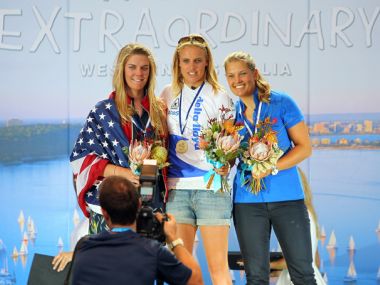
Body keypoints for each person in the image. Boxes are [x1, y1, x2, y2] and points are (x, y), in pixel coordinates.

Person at [224, 51, 316, 285]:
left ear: (254, 74)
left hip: (288, 199)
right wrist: (222, 163)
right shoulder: (230, 114)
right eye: (231, 76)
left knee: (303, 274)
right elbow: (231, 157)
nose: (237, 80)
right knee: (256, 277)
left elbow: (304, 147)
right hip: (246, 202)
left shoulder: (281, 102)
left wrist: (272, 166)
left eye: (242, 73)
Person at [159, 34, 234, 285]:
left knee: (218, 270)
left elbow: (230, 143)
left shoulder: (220, 95)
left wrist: (228, 163)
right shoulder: (167, 94)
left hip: (211, 189)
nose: (192, 67)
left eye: (198, 61)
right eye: (186, 61)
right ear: (178, 63)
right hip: (176, 190)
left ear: (206, 63)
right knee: (182, 270)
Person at [70, 43, 168, 234]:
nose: (138, 73)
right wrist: (123, 173)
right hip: (112, 207)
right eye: (132, 67)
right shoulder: (103, 111)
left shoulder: (159, 110)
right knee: (107, 263)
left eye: (144, 68)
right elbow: (80, 159)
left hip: (150, 206)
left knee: (147, 262)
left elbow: (165, 156)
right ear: (122, 70)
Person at [71, 175, 204, 285]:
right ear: (139, 205)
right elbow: (196, 281)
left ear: (104, 213)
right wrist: (172, 238)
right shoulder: (151, 251)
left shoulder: (83, 247)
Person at [271, 167, 326, 285]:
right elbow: (315, 260)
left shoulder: (292, 214)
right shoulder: (308, 212)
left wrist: (261, 265)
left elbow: (296, 259)